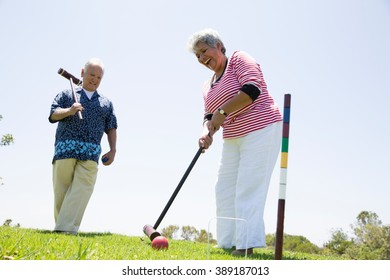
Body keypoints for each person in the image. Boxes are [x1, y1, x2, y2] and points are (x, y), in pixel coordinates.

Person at [187, 29, 283, 256]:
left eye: (203, 51)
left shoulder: (239, 59)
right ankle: (226, 242)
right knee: (224, 188)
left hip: (261, 128)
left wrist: (222, 111)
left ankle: (245, 244)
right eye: (197, 56)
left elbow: (252, 89)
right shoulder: (207, 85)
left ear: (218, 45)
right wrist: (205, 132)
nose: (201, 59)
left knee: (248, 187)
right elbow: (209, 116)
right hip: (232, 137)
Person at [48, 58, 117, 234]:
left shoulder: (106, 103)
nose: (94, 79)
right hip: (65, 149)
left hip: (91, 152)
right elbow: (53, 115)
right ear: (82, 73)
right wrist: (70, 110)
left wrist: (113, 149)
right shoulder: (66, 94)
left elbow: (111, 127)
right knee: (61, 194)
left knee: (82, 191)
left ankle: (65, 229)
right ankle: (64, 230)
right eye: (91, 75)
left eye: (99, 77)